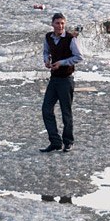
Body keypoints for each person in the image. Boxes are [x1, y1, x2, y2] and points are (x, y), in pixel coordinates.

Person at [40, 12, 83, 153]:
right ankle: (55, 142)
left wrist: (62, 63)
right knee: (46, 109)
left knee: (66, 112)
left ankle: (68, 142)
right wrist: (46, 60)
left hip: (66, 80)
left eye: (62, 23)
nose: (60, 26)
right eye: (57, 23)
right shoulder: (48, 37)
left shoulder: (70, 39)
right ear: (52, 24)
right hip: (54, 79)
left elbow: (78, 57)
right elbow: (46, 52)